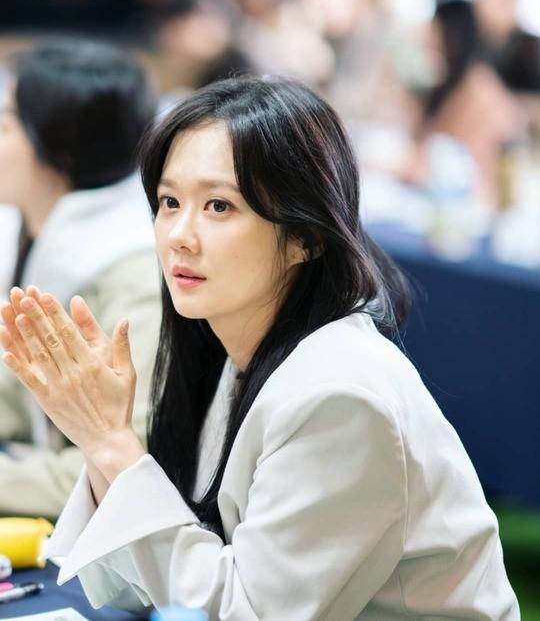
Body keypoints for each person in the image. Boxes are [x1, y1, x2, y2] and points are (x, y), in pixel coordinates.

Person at [1, 77, 518, 619]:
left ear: (307, 237)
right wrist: (100, 442)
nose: (179, 234)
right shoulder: (231, 347)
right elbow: (152, 579)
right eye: (170, 201)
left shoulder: (340, 396)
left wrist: (110, 441)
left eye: (219, 206)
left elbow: (248, 612)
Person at [0, 39, 161, 518]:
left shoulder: (137, 279)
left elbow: (125, 462)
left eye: (6, 125)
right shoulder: (31, 232)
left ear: (59, 151)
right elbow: (14, 390)